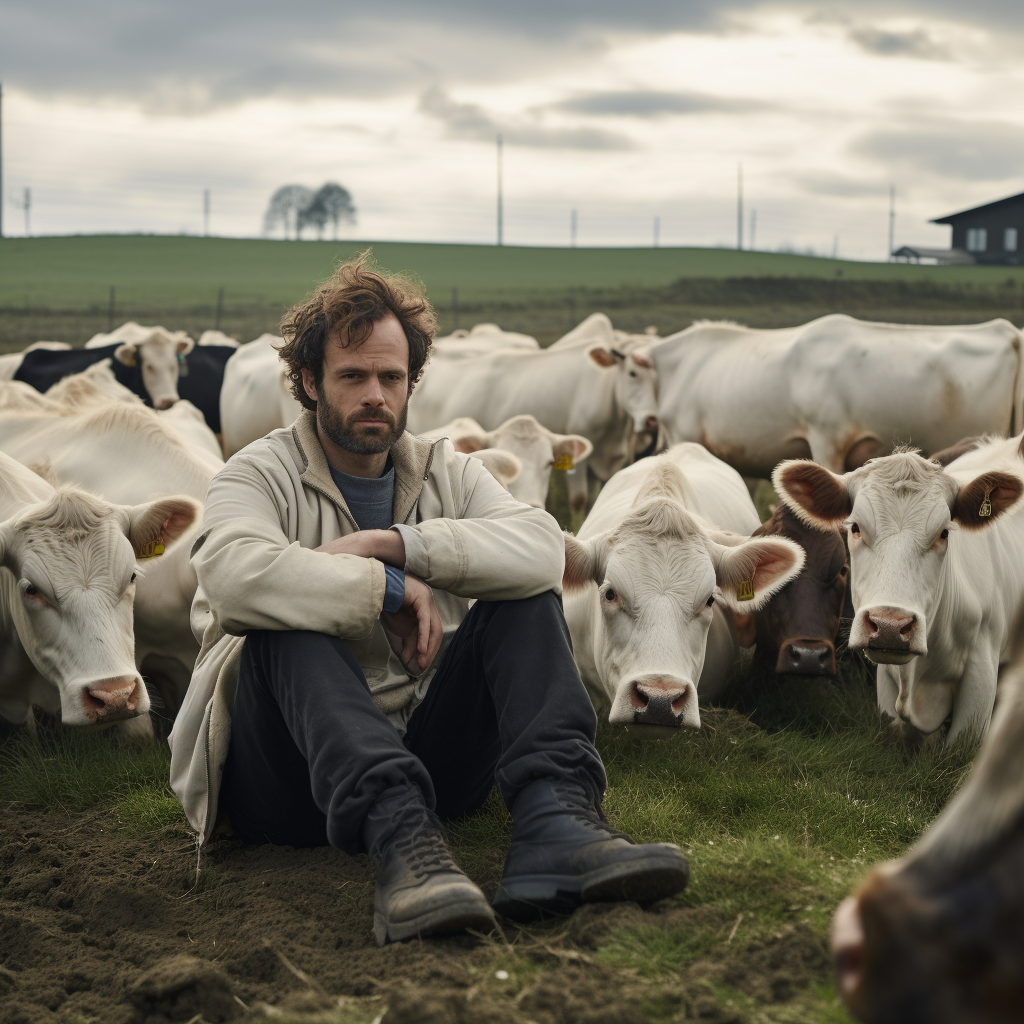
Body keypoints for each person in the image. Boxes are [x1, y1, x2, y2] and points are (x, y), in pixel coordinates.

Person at [168, 256, 689, 945]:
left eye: (391, 377)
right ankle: (401, 842)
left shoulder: (448, 471)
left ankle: (557, 820)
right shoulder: (257, 475)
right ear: (307, 381)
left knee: (524, 594)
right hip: (286, 783)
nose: (375, 396)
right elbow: (230, 578)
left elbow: (541, 549)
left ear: (412, 382)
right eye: (352, 377)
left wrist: (397, 547)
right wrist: (379, 588)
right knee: (278, 627)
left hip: (431, 754)